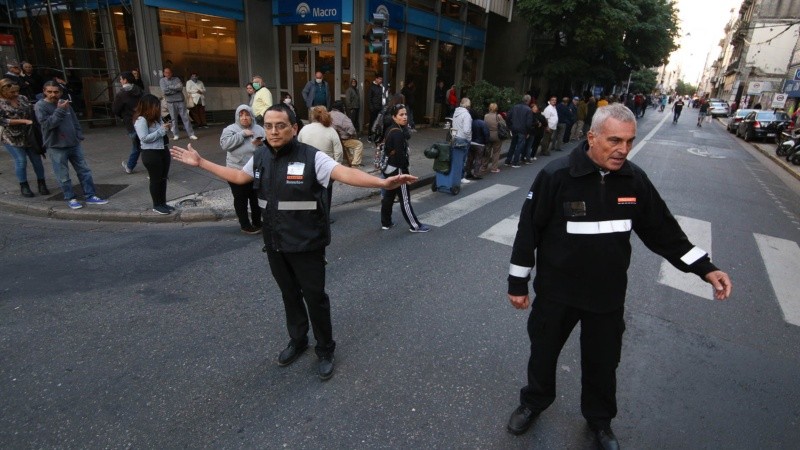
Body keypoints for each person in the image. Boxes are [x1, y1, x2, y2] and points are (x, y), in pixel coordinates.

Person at [504, 104, 732, 449]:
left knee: (603, 364)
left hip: (606, 297)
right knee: (543, 352)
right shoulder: (556, 175)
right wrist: (517, 284)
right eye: (614, 140)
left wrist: (706, 268)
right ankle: (533, 402)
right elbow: (527, 233)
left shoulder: (633, 179)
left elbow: (665, 233)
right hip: (557, 293)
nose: (623, 149)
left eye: (629, 141)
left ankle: (599, 422)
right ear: (592, 137)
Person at [169, 104, 418, 381]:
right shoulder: (261, 155)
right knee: (290, 296)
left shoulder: (312, 158)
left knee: (315, 299)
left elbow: (343, 173)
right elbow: (240, 177)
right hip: (275, 242)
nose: (274, 131)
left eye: (281, 125)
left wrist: (382, 184)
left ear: (294, 128)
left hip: (307, 243)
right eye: (270, 126)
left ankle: (325, 349)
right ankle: (298, 341)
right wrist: (202, 162)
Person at [35, 81, 108, 210]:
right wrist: (59, 110)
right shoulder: (41, 106)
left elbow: (74, 120)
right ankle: (70, 197)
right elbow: (47, 125)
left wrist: (78, 135)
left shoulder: (65, 103)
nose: (53, 94)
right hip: (56, 146)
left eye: (56, 92)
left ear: (61, 92)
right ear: (44, 92)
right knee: (63, 175)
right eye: (50, 92)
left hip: (73, 143)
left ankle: (90, 195)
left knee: (84, 171)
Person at [379, 103, 430, 233]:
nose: (405, 117)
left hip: (389, 168)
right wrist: (405, 173)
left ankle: (386, 223)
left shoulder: (390, 129)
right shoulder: (397, 133)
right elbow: (401, 157)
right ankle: (415, 226)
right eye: (401, 115)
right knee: (405, 199)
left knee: (389, 196)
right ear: (394, 117)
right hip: (398, 169)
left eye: (406, 114)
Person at [0, 78, 50, 197]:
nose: (16, 94)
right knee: (21, 161)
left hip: (29, 134)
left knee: (37, 160)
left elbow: (31, 111)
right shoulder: (1, 103)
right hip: (11, 136)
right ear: (3, 91)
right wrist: (23, 121)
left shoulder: (23, 98)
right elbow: (2, 120)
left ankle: (42, 183)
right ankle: (24, 185)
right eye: (12, 92)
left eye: (16, 91)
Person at [220, 104, 265, 233]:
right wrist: (242, 134)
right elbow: (224, 145)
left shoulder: (259, 129)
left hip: (255, 170)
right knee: (241, 199)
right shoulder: (230, 129)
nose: (244, 118)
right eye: (241, 115)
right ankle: (245, 225)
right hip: (236, 170)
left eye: (247, 115)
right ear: (237, 117)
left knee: (256, 199)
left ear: (251, 116)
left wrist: (261, 144)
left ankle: (257, 222)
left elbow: (269, 146)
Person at [298, 106, 343, 220]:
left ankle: (310, 216)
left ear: (312, 116)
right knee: (326, 195)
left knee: (309, 193)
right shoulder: (330, 130)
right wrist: (336, 167)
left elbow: (297, 148)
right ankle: (325, 217)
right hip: (326, 168)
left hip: (307, 167)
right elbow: (339, 152)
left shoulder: (304, 129)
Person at [133, 94, 172, 214]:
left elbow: (161, 132)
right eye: (156, 106)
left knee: (163, 178)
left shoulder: (157, 118)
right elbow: (144, 138)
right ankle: (157, 204)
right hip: (151, 153)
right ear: (148, 106)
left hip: (163, 150)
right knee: (156, 179)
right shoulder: (141, 120)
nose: (158, 108)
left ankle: (163, 203)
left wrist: (166, 127)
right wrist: (161, 131)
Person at [112, 71, 144, 174]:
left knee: (137, 145)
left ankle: (130, 166)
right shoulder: (139, 90)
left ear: (125, 80)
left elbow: (115, 109)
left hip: (130, 122)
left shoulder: (121, 94)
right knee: (142, 144)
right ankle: (130, 166)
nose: (120, 81)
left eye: (121, 79)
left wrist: (123, 116)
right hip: (142, 120)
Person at [159, 67, 197, 141]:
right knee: (173, 119)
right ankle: (176, 135)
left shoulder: (176, 79)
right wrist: (175, 89)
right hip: (170, 102)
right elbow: (165, 91)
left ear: (171, 73)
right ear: (164, 73)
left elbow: (180, 88)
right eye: (166, 73)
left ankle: (191, 134)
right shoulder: (162, 80)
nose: (168, 74)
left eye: (169, 72)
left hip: (180, 100)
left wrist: (170, 88)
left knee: (185, 117)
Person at [330, 101, 364, 168]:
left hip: (331, 139)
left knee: (347, 144)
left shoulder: (327, 114)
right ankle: (355, 164)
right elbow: (351, 129)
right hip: (342, 140)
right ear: (342, 108)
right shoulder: (343, 117)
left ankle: (350, 159)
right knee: (359, 144)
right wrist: (352, 135)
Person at [505, 95, 533, 168]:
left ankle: (508, 160)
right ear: (529, 101)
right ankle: (515, 162)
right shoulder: (529, 110)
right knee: (519, 146)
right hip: (523, 130)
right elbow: (528, 123)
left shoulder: (515, 107)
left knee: (513, 144)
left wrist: (510, 126)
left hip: (514, 128)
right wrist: (528, 132)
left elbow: (508, 117)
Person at [451, 97, 473, 184]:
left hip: (456, 137)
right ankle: (461, 177)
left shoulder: (456, 112)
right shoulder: (467, 115)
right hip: (463, 139)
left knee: (456, 159)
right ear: (468, 105)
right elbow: (467, 130)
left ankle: (455, 176)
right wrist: (469, 138)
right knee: (463, 159)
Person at [483, 102, 506, 173]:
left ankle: (484, 167)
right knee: (496, 152)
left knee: (487, 151)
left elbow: (484, 125)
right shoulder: (498, 116)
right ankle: (494, 168)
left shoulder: (486, 116)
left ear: (489, 108)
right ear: (496, 109)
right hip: (497, 136)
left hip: (488, 135)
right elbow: (503, 124)